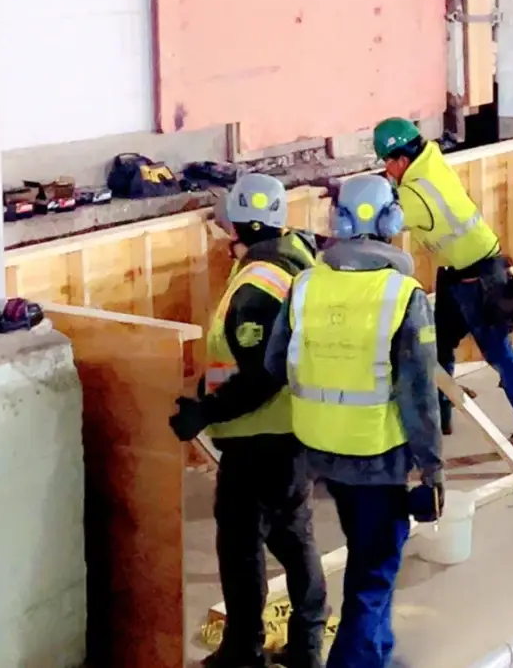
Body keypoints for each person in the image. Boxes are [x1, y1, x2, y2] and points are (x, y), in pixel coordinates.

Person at [265, 175, 444, 668]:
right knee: (374, 567)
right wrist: (432, 470)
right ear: (392, 221)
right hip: (376, 453)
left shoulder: (305, 285)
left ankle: (377, 650)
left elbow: (274, 364)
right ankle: (354, 661)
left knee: (365, 551)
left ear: (338, 221)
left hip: (318, 448)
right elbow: (419, 395)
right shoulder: (403, 295)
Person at [168, 173, 328, 668]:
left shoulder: (257, 285)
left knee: (241, 547)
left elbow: (261, 375)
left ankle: (243, 650)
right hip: (295, 432)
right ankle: (305, 648)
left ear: (239, 223)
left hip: (260, 438)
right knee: (293, 536)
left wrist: (205, 413)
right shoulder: (297, 256)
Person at [372, 117, 513, 454]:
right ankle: (441, 414)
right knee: (440, 346)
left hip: (479, 278)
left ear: (402, 161)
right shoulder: (431, 160)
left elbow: (386, 222)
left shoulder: (414, 192)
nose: (387, 170)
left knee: (500, 355)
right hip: (459, 271)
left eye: (387, 163)